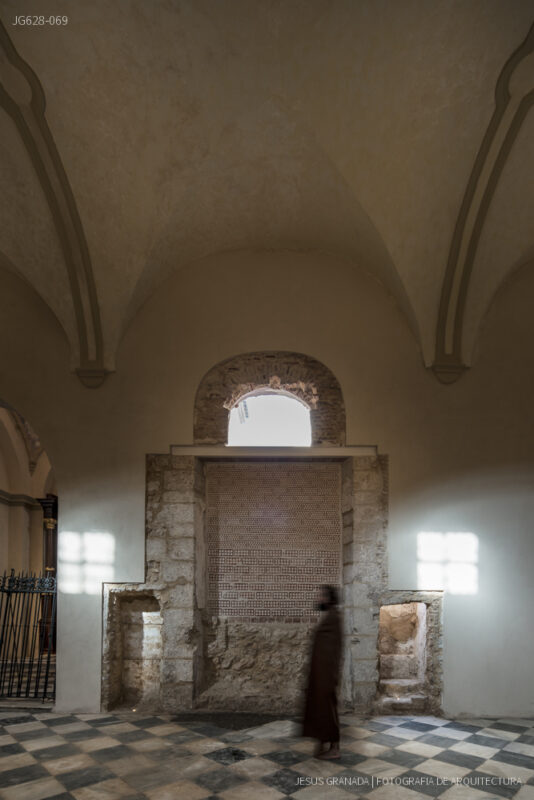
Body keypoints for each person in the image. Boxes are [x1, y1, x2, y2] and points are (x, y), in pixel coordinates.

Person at [302, 584, 343, 759]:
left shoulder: (333, 618)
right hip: (321, 675)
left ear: (328, 598)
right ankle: (322, 743)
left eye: (321, 596)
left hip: (326, 676)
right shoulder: (330, 616)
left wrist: (327, 677)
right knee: (320, 709)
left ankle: (334, 748)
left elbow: (332, 650)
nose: (318, 598)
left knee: (327, 709)